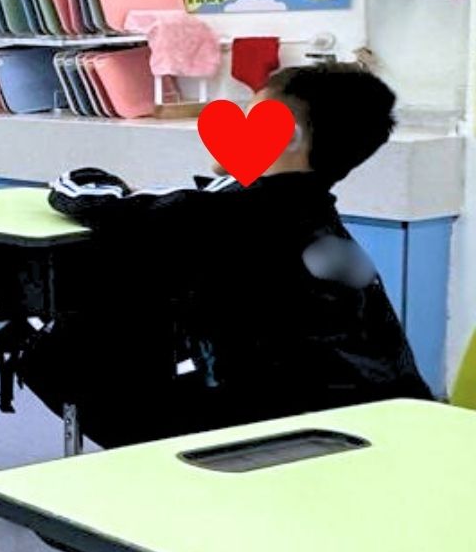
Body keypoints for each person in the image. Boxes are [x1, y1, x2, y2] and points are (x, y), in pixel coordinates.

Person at [23, 62, 430, 448]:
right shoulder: (324, 223)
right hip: (373, 427)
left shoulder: (210, 213)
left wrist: (97, 184)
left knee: (58, 345)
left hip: (266, 433)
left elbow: (90, 198)